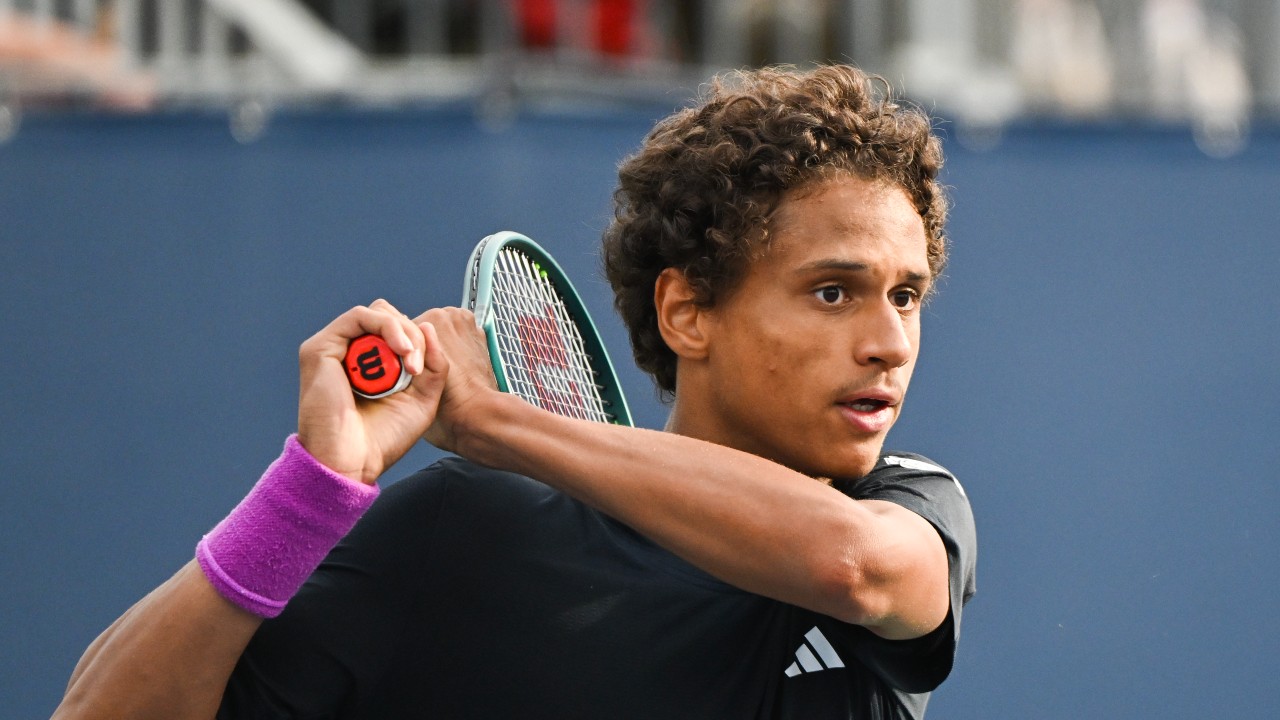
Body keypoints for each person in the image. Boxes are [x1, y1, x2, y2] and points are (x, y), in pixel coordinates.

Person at [53, 64, 976, 719]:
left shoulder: (911, 506)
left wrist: (494, 421)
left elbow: (851, 566)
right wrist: (307, 495)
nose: (890, 343)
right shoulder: (463, 528)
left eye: (906, 297)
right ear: (687, 311)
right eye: (833, 292)